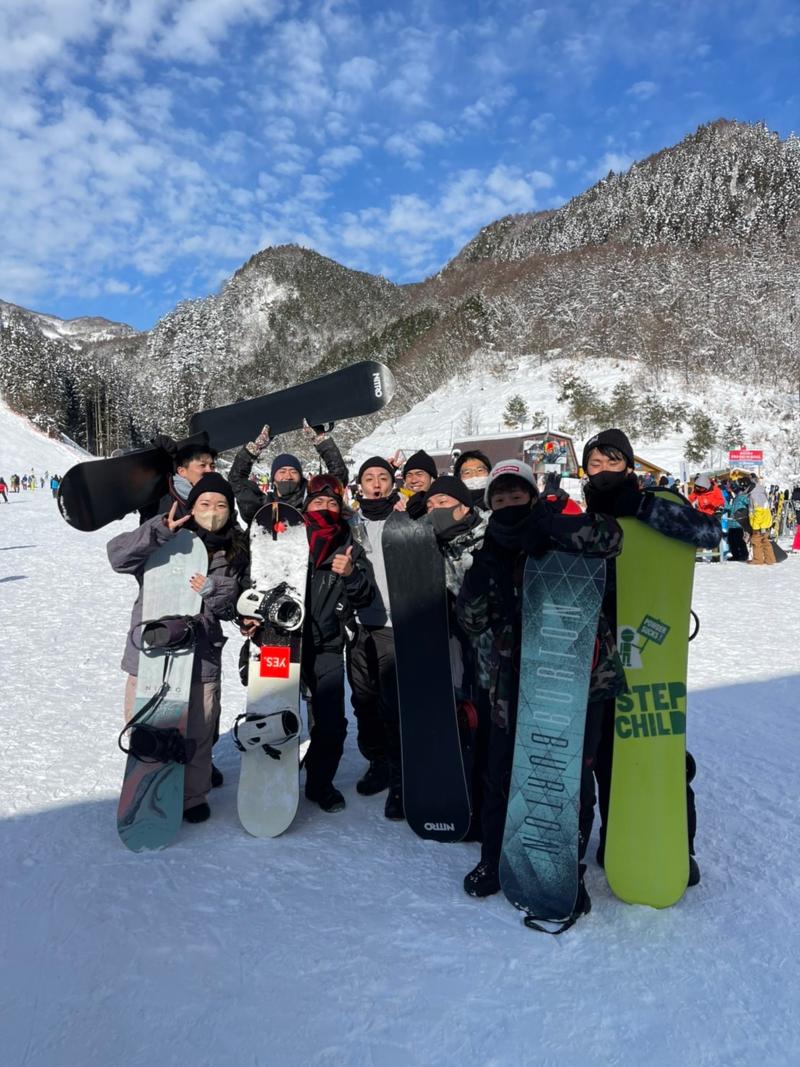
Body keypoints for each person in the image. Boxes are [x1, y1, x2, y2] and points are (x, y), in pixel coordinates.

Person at [456, 460, 623, 904]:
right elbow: (471, 623)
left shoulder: (563, 531)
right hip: (514, 684)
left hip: (575, 680)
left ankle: (567, 869)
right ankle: (494, 858)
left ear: (532, 497)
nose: (508, 503)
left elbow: (612, 537)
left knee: (569, 776)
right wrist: (477, 578)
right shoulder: (488, 552)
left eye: (517, 495)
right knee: (501, 773)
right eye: (499, 498)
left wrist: (552, 528)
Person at [580, 428, 721, 887]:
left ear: (629, 465)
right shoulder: (583, 516)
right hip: (600, 656)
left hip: (648, 644)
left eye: (613, 461)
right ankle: (620, 838)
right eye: (595, 464)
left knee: (658, 745)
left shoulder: (656, 502)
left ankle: (677, 845)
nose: (603, 471)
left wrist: (642, 509)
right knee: (605, 755)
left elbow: (709, 533)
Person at [107, 473, 248, 823]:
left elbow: (231, 605)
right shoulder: (167, 538)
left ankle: (192, 795)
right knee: (150, 725)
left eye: (221, 505)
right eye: (205, 503)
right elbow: (118, 557)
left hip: (201, 654)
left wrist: (213, 589)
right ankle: (146, 787)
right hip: (152, 651)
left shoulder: (233, 549)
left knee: (199, 730)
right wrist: (160, 531)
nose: (212, 511)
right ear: (192, 506)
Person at [423, 474, 490, 838]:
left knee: (491, 733)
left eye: (444, 503)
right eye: (430, 505)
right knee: (464, 725)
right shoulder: (436, 542)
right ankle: (465, 801)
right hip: (457, 650)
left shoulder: (489, 537)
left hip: (495, 654)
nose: (436, 511)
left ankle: (488, 808)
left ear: (464, 506)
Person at [347, 456, 403, 817]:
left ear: (392, 484)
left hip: (393, 625)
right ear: (361, 485)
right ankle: (377, 762)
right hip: (358, 625)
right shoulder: (351, 524)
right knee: (363, 701)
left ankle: (400, 779)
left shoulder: (405, 520)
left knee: (392, 705)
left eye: (383, 477)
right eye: (370, 478)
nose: (377, 484)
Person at [229, 422, 348, 525]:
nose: (288, 476)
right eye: (282, 471)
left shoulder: (313, 503)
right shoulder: (261, 508)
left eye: (293, 471)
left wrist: (321, 440)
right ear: (273, 478)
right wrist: (254, 448)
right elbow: (236, 480)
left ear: (300, 476)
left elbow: (338, 475)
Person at [139, 439, 218, 524]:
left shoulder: (217, 496)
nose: (210, 470)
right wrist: (154, 449)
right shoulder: (162, 496)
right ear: (182, 471)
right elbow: (139, 477)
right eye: (202, 465)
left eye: (212, 466)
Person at [745, 475, 776, 565]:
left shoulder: (754, 495)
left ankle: (757, 560)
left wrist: (757, 525)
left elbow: (758, 511)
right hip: (766, 520)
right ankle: (770, 559)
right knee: (765, 541)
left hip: (759, 523)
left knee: (756, 541)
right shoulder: (761, 490)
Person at [399, 450, 438, 518]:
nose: (414, 480)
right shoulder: (397, 502)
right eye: (409, 475)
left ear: (432, 478)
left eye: (419, 474)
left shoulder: (443, 504)